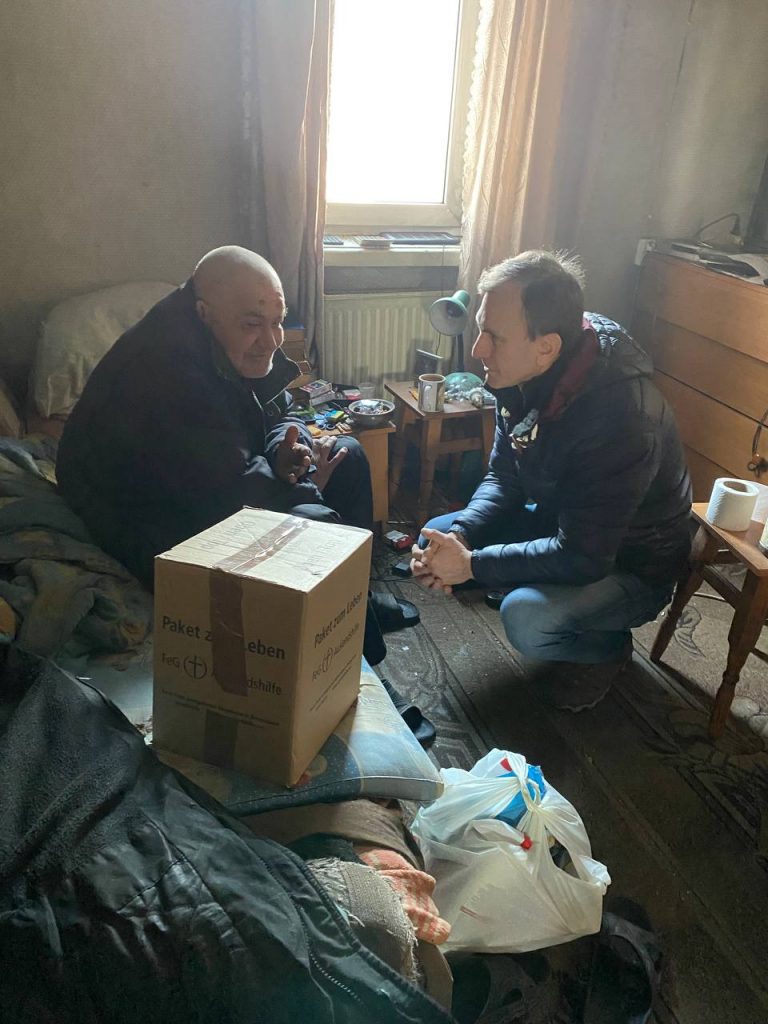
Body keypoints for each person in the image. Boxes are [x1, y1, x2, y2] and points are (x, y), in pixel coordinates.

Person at [56, 246, 418, 668]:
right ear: (205, 313)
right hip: (143, 517)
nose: (272, 339)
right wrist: (305, 486)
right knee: (314, 522)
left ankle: (357, 603)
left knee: (346, 454)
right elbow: (226, 494)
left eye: (278, 322)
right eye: (253, 324)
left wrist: (288, 449)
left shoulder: (234, 338)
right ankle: (355, 667)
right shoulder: (166, 372)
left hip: (216, 474)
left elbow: (281, 410)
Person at [411, 250, 692, 711]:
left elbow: (583, 556)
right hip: (564, 521)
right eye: (480, 328)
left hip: (631, 565)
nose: (478, 349)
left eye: (494, 337)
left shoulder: (621, 419)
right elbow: (504, 476)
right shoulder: (527, 371)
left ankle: (608, 649)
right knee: (438, 535)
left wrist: (474, 566)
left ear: (546, 347)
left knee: (526, 618)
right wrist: (461, 537)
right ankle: (509, 573)